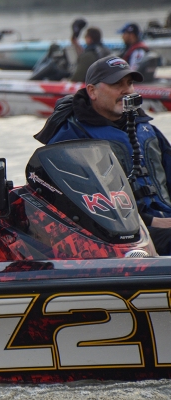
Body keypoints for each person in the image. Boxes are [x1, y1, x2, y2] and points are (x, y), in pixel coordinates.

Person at [34, 55, 171, 255]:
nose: (127, 90)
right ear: (92, 91)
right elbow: (74, 206)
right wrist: (153, 221)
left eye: (129, 83)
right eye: (117, 84)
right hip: (123, 237)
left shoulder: (147, 130)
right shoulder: (72, 137)